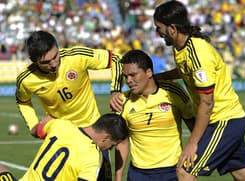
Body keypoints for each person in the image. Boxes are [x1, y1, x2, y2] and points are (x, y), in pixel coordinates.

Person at [153, 1, 245, 180]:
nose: (158, 33)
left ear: (172, 28)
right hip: (227, 121)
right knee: (243, 174)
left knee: (185, 170)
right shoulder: (181, 48)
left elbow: (207, 103)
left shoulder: (198, 53)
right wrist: (157, 78)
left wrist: (193, 143)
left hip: (224, 121)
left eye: (158, 28)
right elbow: (185, 71)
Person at [15, 30, 123, 181]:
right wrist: (33, 125)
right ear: (33, 61)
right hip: (62, 137)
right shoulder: (26, 80)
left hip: (93, 134)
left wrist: (115, 90)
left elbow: (116, 59)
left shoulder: (76, 57)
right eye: (46, 62)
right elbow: (22, 100)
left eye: (55, 56)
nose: (53, 64)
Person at [114, 50, 195, 181]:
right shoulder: (122, 101)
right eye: (125, 76)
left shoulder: (174, 92)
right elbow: (122, 142)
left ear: (149, 73)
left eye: (133, 75)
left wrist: (192, 167)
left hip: (173, 171)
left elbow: (195, 129)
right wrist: (117, 178)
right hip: (138, 174)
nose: (128, 81)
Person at [0, 113, 129, 181]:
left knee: (2, 169)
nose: (110, 149)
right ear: (105, 138)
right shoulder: (93, 156)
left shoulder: (61, 125)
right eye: (112, 145)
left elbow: (38, 130)